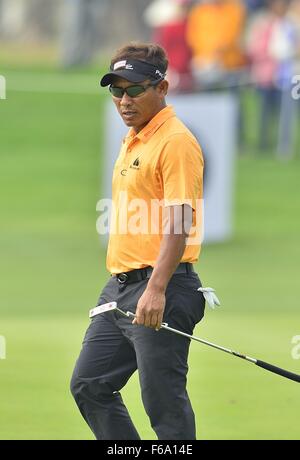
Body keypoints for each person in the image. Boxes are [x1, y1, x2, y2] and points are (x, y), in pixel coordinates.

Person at [70, 42, 206, 440]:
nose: (124, 100)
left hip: (162, 287)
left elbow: (180, 222)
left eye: (134, 89)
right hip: (120, 287)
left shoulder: (175, 141)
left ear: (161, 89)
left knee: (163, 403)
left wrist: (157, 288)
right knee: (89, 384)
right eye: (116, 90)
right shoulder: (135, 137)